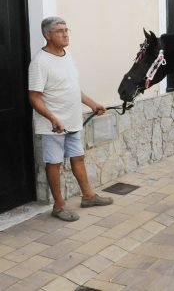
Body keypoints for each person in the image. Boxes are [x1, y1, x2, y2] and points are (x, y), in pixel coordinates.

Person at [28, 17, 113, 222]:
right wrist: (52, 118)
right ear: (47, 35)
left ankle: (88, 196)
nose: (65, 34)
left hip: (73, 121)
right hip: (54, 126)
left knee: (78, 158)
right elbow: (34, 96)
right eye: (59, 31)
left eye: (66, 30)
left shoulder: (67, 55)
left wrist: (92, 104)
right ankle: (58, 206)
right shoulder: (40, 61)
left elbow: (73, 88)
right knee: (54, 163)